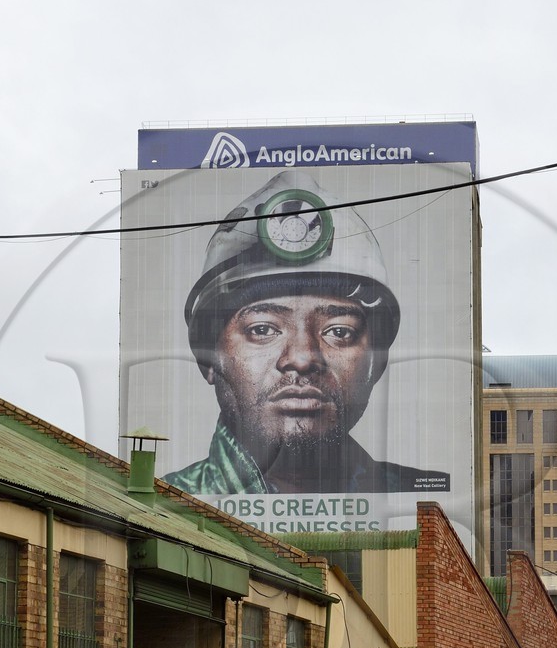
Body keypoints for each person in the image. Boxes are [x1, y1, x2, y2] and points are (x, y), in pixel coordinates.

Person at [163, 171, 449, 495]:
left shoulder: (419, 499)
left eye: (339, 331)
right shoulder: (161, 504)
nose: (301, 358)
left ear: (377, 362)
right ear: (208, 360)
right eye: (262, 329)